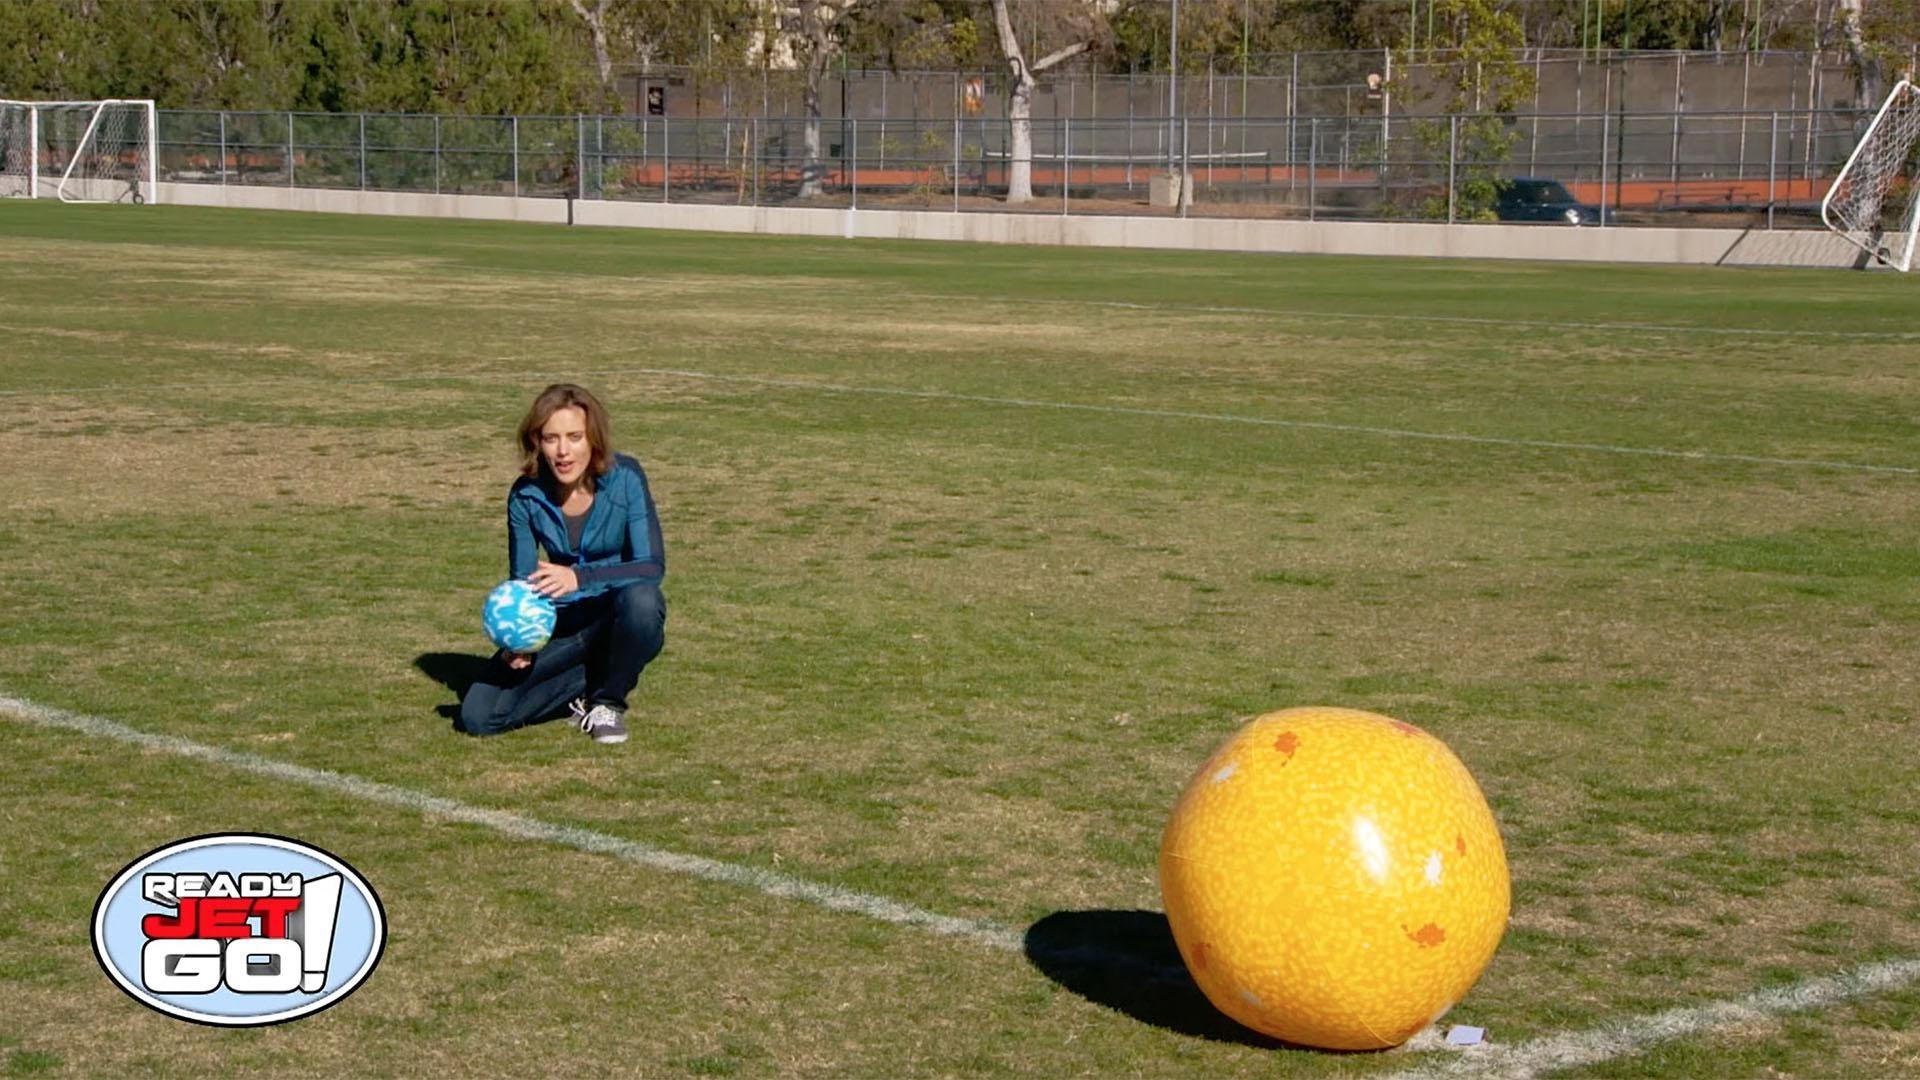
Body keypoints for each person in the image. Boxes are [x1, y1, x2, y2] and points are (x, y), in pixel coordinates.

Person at [459, 383, 666, 743]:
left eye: (574, 436)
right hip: (563, 622)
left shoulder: (627, 477)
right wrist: (517, 642)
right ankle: (590, 684)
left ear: (594, 439)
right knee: (479, 716)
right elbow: (524, 581)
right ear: (537, 441)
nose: (563, 451)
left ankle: (607, 702)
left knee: (643, 603)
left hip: (617, 615)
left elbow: (650, 567)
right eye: (551, 438)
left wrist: (579, 577)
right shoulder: (525, 494)